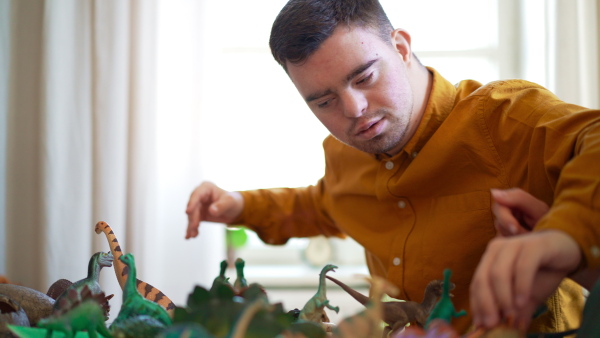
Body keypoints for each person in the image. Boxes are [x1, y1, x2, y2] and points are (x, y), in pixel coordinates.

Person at [185, 0, 600, 333]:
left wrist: (566, 232)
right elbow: (326, 204)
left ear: (401, 47)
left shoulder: (505, 121)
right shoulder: (344, 154)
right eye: (324, 102)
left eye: (364, 77)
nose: (355, 110)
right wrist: (239, 205)